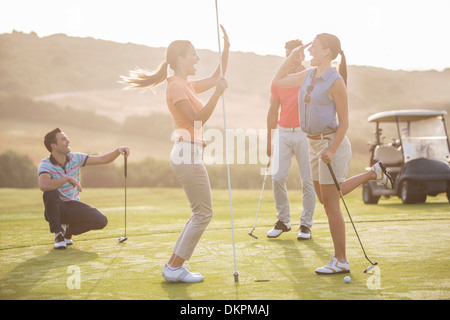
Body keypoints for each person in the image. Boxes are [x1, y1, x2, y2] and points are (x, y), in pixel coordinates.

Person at [272, 33, 393, 274]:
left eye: (313, 47)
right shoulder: (308, 74)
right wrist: (293, 56)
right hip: (313, 145)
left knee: (331, 203)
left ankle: (341, 260)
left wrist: (332, 149)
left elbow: (345, 121)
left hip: (331, 144)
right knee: (325, 197)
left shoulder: (335, 80)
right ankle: (371, 174)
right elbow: (278, 81)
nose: (309, 51)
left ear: (327, 51)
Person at [121, 26, 230, 283]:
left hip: (189, 153)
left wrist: (226, 49)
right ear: (180, 59)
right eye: (194, 54)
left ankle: (173, 266)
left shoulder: (186, 84)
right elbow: (196, 119)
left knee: (199, 212)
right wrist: (217, 94)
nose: (197, 59)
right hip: (186, 153)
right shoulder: (176, 88)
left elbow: (218, 75)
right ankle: (174, 267)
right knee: (203, 213)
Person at [38, 128, 130, 249]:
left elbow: (103, 159)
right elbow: (44, 185)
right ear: (53, 146)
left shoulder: (75, 158)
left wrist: (118, 150)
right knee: (49, 194)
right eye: (64, 139)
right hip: (56, 209)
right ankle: (58, 234)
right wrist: (66, 179)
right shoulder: (46, 164)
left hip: (74, 206)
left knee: (101, 220)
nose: (68, 141)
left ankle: (67, 231)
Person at [266, 39, 316, 240]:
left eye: (296, 55)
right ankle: (284, 221)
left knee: (308, 181)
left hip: (305, 133)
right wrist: (269, 140)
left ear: (303, 56)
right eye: (289, 55)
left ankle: (305, 224)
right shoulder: (279, 81)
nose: (293, 59)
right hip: (284, 133)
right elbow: (272, 111)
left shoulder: (311, 76)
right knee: (277, 178)